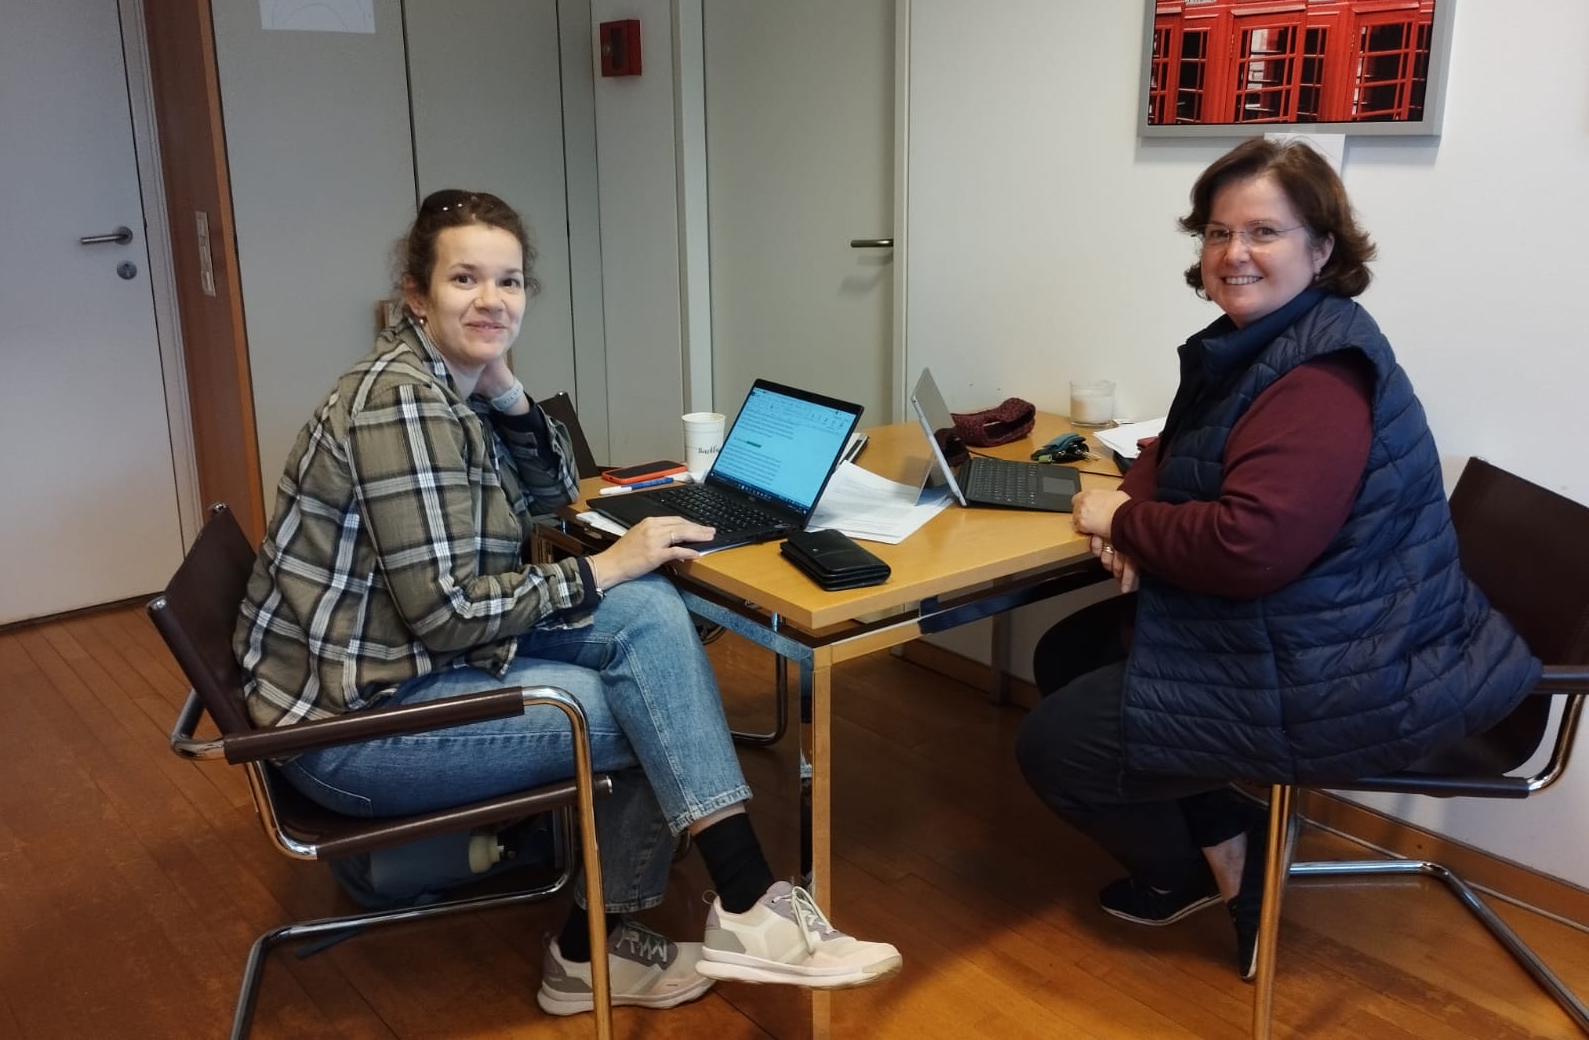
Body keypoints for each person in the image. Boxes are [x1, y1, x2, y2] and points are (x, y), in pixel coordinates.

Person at [233, 189, 900, 1018]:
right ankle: (607, 949)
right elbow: (444, 613)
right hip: (349, 728)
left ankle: (736, 909)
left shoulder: (456, 380)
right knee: (645, 705)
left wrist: (508, 391)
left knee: (652, 616)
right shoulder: (398, 402)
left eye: (508, 282)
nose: (492, 300)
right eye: (464, 280)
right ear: (415, 294)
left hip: (396, 663)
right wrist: (605, 567)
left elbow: (553, 496)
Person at [1015, 138, 1539, 979]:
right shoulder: (1254, 342)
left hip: (1346, 662)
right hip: (1317, 624)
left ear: (1321, 247)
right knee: (1067, 650)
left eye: (1264, 231)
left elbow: (1249, 544)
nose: (1234, 254)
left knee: (1055, 747)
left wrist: (1120, 517)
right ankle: (1234, 832)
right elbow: (1170, 442)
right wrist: (1136, 510)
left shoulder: (1318, 378)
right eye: (1219, 233)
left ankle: (1177, 872)